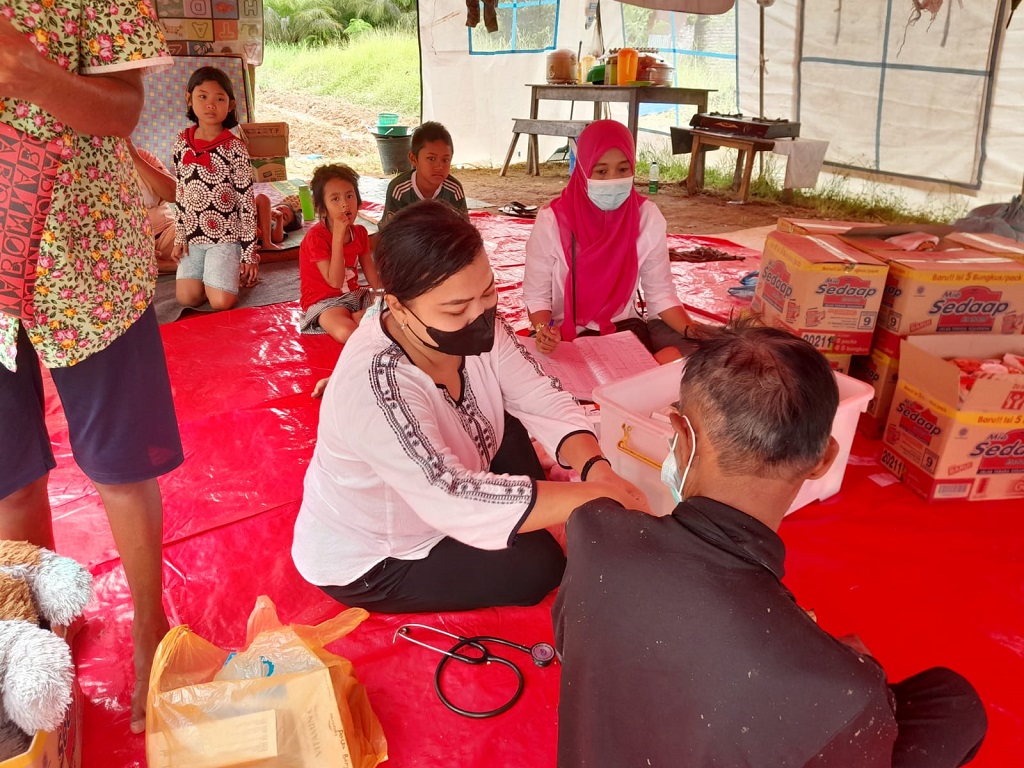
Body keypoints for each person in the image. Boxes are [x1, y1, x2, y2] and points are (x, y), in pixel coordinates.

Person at [553, 320, 987, 768]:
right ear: (824, 459)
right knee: (955, 701)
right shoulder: (845, 695)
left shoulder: (596, 538)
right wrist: (836, 667)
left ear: (681, 434)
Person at [292, 200, 652, 614]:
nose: (480, 314)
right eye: (455, 308)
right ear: (397, 308)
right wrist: (593, 497)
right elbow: (450, 496)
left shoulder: (481, 329)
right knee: (538, 568)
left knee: (511, 416)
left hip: (450, 484)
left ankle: (537, 508)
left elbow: (541, 398)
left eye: (487, 292)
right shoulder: (375, 385)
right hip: (380, 554)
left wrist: (597, 470)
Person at [0, 4, 183, 734]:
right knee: (9, 476)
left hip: (87, 254)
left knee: (118, 466)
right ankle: (37, 634)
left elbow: (122, 109)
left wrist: (26, 71)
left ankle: (150, 629)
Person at [523, 120, 697, 364]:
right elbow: (536, 295)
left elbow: (660, 294)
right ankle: (645, 373)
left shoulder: (646, 217)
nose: (613, 180)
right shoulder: (552, 221)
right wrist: (544, 330)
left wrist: (693, 331)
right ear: (583, 171)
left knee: (705, 357)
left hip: (622, 332)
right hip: (563, 334)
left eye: (623, 170)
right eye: (601, 171)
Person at [172, 66, 258, 311]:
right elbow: (180, 193)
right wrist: (180, 237)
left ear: (230, 106)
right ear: (188, 98)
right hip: (194, 238)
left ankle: (226, 274)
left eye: (219, 98)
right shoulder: (181, 142)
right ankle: (215, 276)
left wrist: (248, 254)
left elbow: (246, 203)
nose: (211, 104)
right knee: (186, 299)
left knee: (221, 302)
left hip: (226, 239)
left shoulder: (235, 148)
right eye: (203, 96)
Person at [299, 163, 380, 344]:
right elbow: (334, 282)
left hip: (356, 295)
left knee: (399, 306)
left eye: (350, 196)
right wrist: (337, 237)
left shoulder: (359, 232)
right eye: (335, 199)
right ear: (322, 208)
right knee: (347, 333)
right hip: (325, 303)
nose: (345, 204)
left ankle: (362, 316)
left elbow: (372, 275)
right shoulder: (316, 237)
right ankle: (363, 318)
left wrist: (386, 295)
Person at [382, 121, 468, 224]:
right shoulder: (399, 190)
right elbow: (390, 233)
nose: (439, 166)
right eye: (431, 159)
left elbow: (463, 231)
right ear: (413, 159)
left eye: (445, 160)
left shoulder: (454, 190)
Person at [128, 140, 179, 273]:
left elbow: (173, 194)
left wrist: (134, 157)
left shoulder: (142, 156)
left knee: (206, 234)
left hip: (166, 234)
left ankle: (161, 265)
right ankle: (171, 266)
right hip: (126, 244)